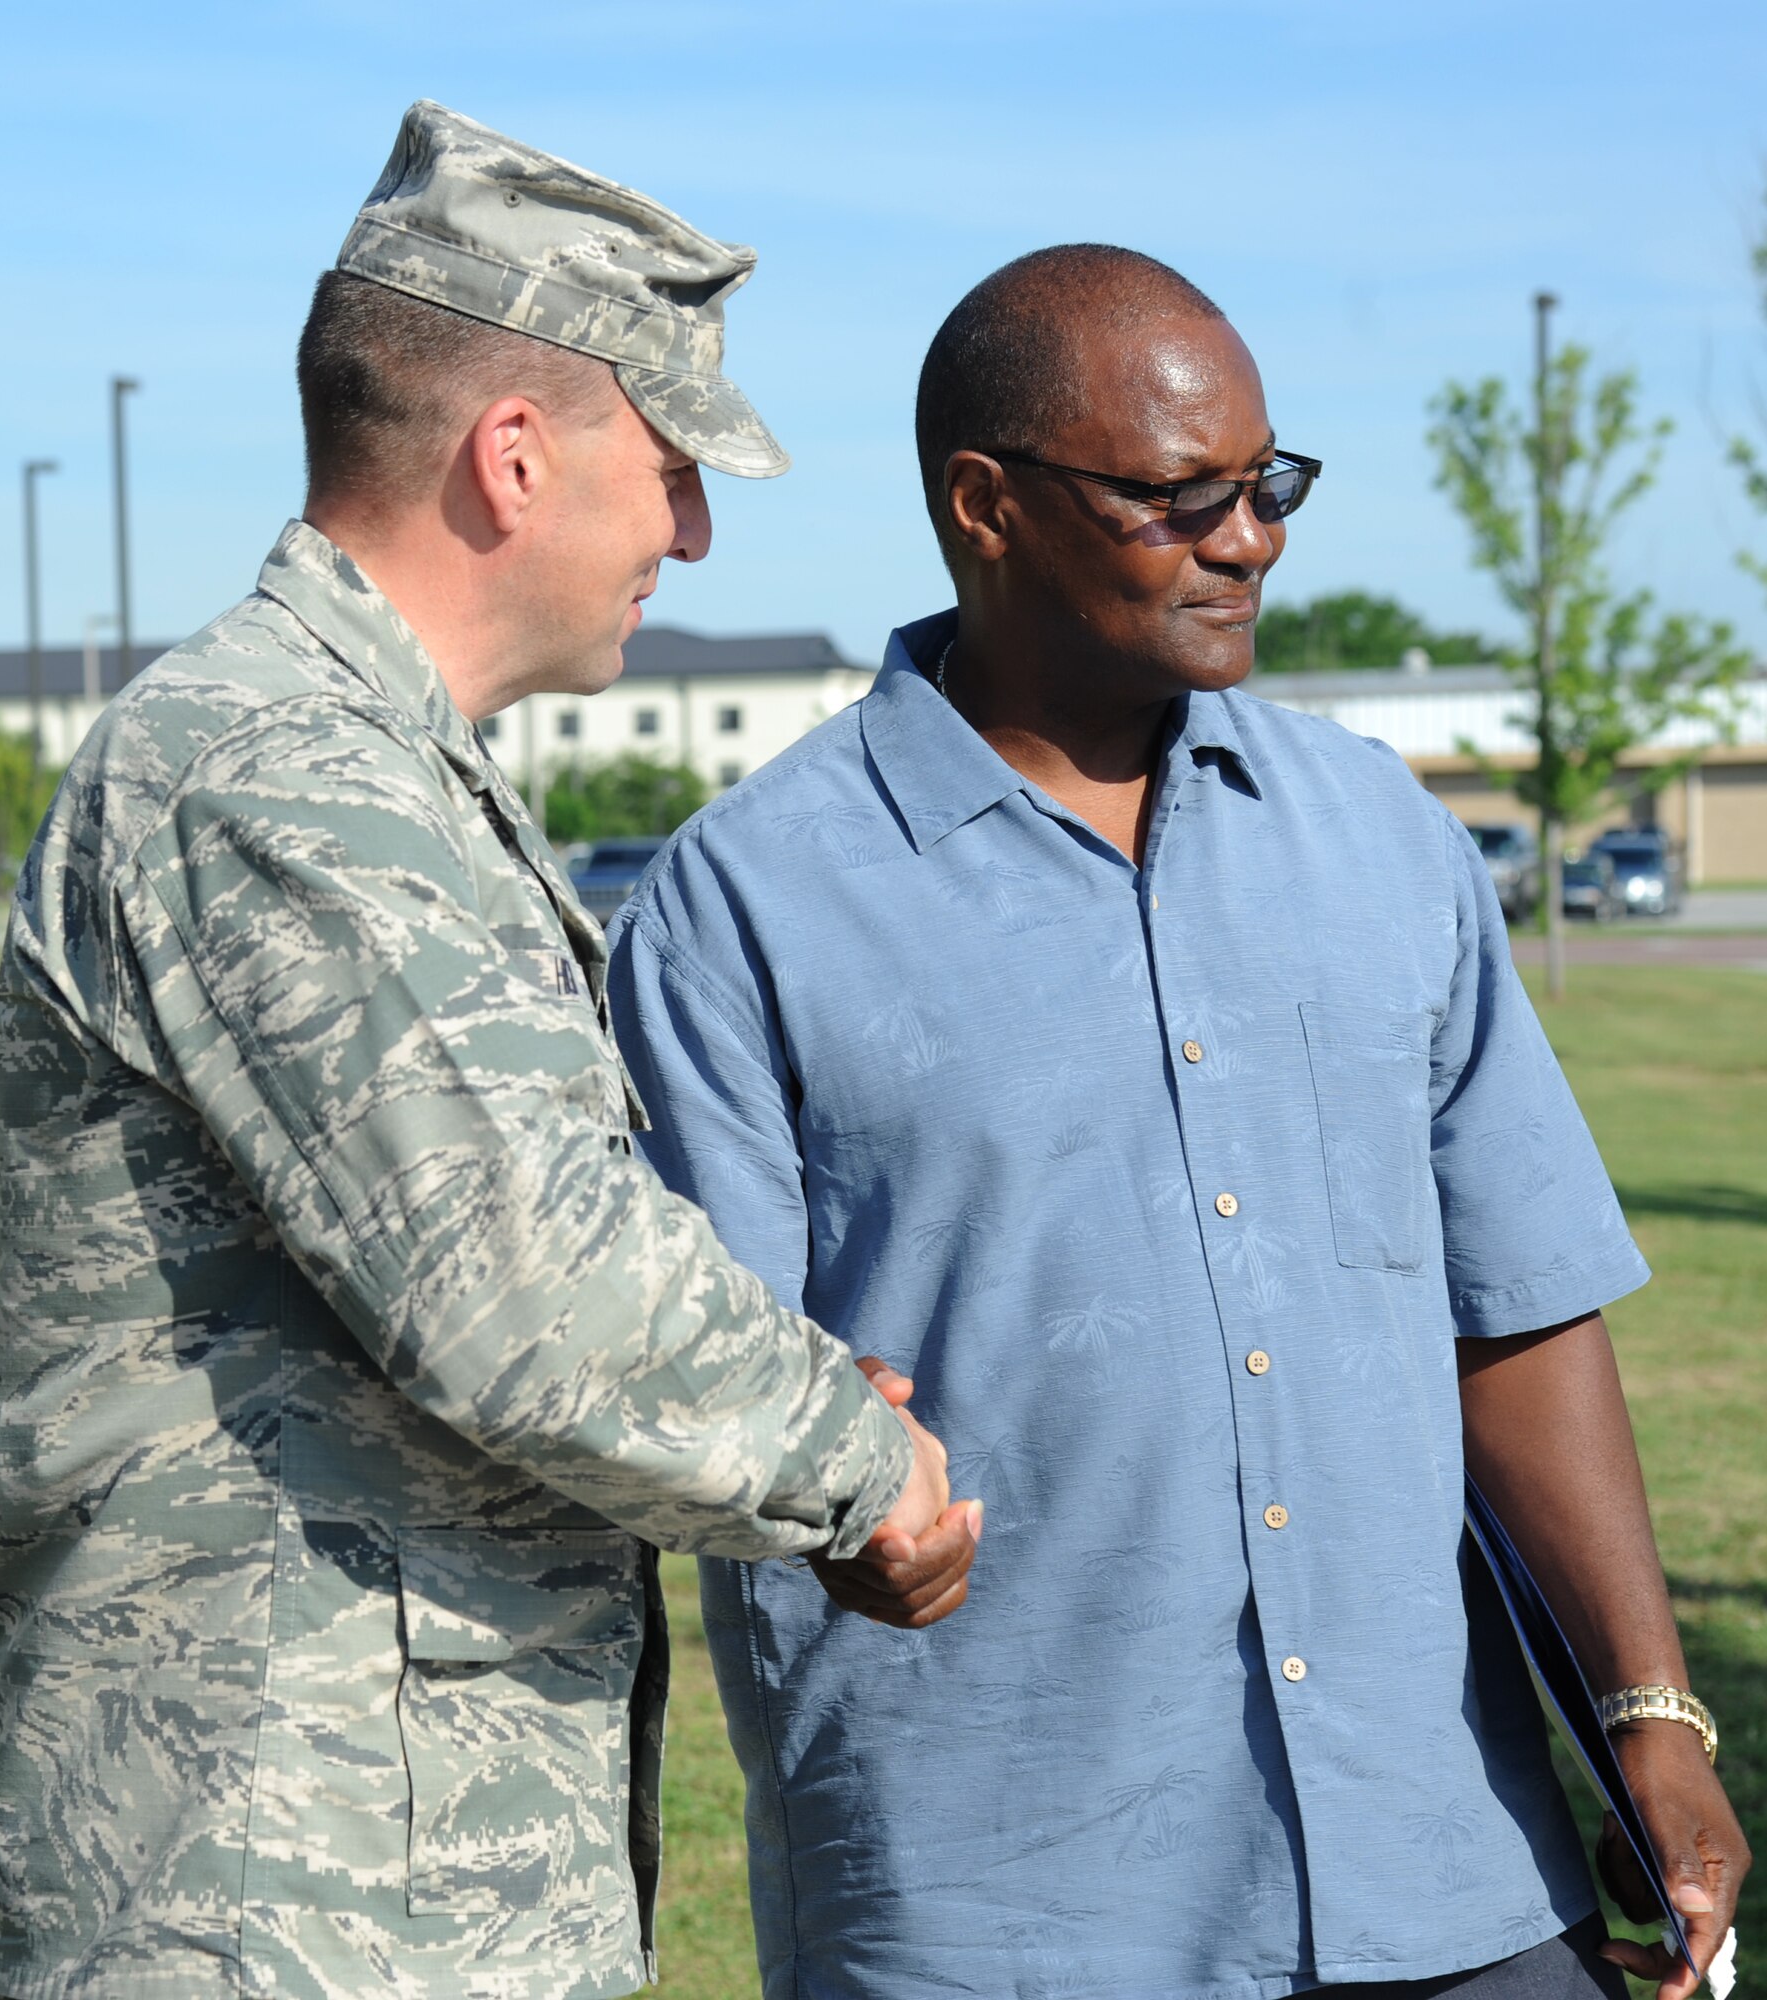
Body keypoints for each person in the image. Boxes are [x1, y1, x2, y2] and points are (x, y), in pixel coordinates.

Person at [605, 245, 1749, 2000]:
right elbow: (707, 1411)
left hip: (1439, 1862)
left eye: (1267, 484)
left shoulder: (1385, 841)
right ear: (985, 506)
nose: (1249, 538)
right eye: (1177, 496)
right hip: (1004, 1909)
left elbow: (1512, 1301)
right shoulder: (742, 905)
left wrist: (1647, 1706)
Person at [0, 101, 976, 2000]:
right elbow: (527, 1286)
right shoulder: (273, 773)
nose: (690, 522)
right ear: (513, 456)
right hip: (277, 1897)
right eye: (673, 464)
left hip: (378, 1866)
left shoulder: (367, 770)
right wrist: (866, 1465)